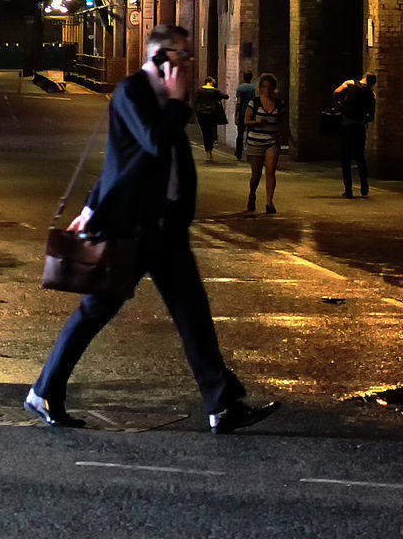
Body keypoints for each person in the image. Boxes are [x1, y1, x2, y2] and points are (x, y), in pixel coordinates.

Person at [25, 24, 280, 434]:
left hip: (166, 228)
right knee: (95, 311)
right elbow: (150, 147)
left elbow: (124, 162)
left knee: (192, 313)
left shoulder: (165, 97)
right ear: (162, 56)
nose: (190, 62)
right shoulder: (134, 92)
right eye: (183, 54)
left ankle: (222, 405)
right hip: (130, 226)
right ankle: (44, 391)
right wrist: (178, 105)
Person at [244, 72, 285, 215]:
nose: (267, 90)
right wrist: (257, 122)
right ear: (261, 88)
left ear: (274, 88)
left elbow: (282, 123)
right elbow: (246, 121)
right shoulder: (254, 103)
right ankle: (252, 194)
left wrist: (283, 138)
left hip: (271, 142)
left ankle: (269, 202)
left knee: (270, 172)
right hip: (255, 141)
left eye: (270, 87)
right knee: (256, 175)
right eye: (264, 87)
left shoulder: (279, 104)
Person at [334, 72, 377, 197]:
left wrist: (340, 106)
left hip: (346, 125)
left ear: (364, 77)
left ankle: (348, 190)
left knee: (346, 158)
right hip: (360, 126)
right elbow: (371, 113)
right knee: (360, 158)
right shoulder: (371, 93)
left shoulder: (350, 83)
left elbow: (336, 92)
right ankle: (364, 186)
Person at [193, 76, 228, 161]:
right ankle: (210, 150)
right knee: (211, 132)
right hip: (212, 114)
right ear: (211, 82)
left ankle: (208, 151)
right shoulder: (215, 91)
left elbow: (195, 101)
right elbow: (226, 96)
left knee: (205, 132)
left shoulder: (199, 91)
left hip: (201, 114)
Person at [233, 71, 256, 161]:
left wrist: (236, 114)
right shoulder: (254, 88)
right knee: (251, 134)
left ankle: (239, 153)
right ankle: (250, 153)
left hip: (242, 113)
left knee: (240, 134)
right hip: (251, 113)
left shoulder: (241, 88)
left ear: (243, 77)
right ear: (251, 77)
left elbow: (238, 102)